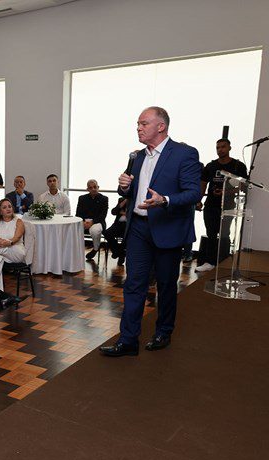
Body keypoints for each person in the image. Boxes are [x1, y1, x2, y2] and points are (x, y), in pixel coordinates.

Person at [101, 106, 201, 357]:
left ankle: (163, 331)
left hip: (167, 227)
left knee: (166, 285)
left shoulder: (184, 153)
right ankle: (128, 340)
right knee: (134, 285)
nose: (138, 128)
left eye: (144, 123)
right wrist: (123, 187)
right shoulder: (137, 157)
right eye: (137, 124)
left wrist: (165, 200)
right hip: (139, 228)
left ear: (161, 126)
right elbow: (129, 192)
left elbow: (193, 193)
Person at [195, 138, 248, 272]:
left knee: (224, 234)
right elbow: (203, 184)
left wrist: (226, 191)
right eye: (218, 147)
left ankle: (224, 261)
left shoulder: (238, 166)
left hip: (228, 206)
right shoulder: (211, 166)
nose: (220, 150)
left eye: (223, 147)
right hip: (211, 205)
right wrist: (198, 200)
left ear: (229, 148)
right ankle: (210, 262)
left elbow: (243, 186)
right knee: (211, 233)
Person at [0, 199, 27, 291]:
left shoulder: (18, 221)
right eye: (4, 207)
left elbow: (16, 238)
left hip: (17, 251)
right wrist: (3, 243)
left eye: (9, 206)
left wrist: (7, 242)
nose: (8, 209)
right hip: (1, 254)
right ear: (0, 211)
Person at [76, 179, 109, 260]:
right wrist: (83, 222)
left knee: (94, 230)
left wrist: (92, 222)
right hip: (84, 221)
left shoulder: (104, 199)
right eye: (90, 188)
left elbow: (103, 216)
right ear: (88, 189)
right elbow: (78, 214)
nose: (93, 189)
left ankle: (95, 248)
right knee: (73, 229)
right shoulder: (82, 198)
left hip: (98, 222)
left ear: (98, 187)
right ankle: (76, 250)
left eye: (95, 187)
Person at [103, 198, 128, 266]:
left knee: (127, 237)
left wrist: (125, 213)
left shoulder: (136, 200)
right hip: (118, 224)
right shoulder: (121, 200)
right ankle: (118, 252)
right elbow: (113, 212)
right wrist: (123, 203)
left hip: (129, 226)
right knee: (107, 233)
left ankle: (120, 254)